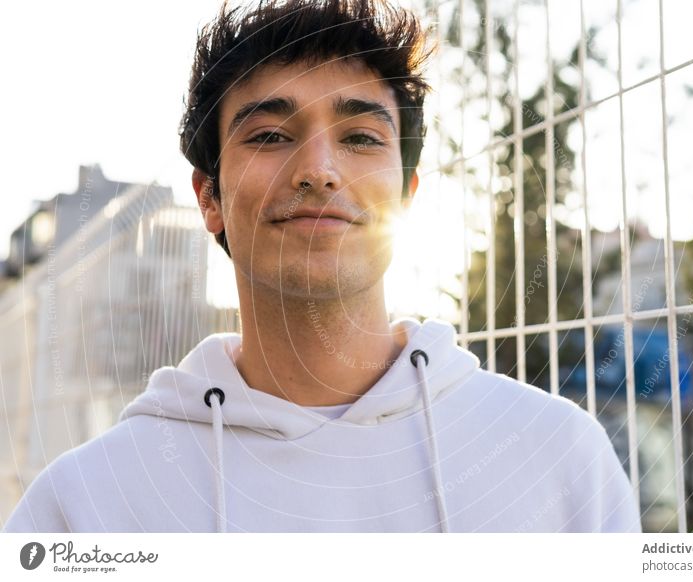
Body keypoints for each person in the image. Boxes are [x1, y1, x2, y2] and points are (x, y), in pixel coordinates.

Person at [3, 0, 641, 533]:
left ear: (407, 194)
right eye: (269, 136)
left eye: (361, 138)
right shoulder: (85, 506)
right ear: (209, 198)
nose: (317, 169)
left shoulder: (558, 457)